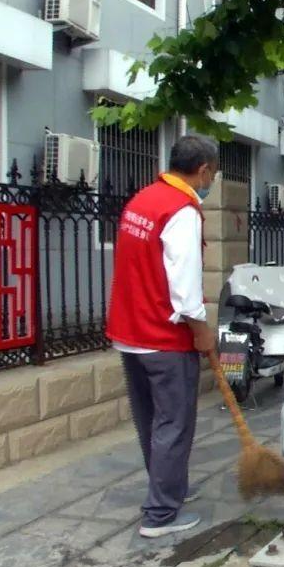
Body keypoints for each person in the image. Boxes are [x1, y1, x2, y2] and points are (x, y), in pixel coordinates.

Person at [106, 135, 219, 538]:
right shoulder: (182, 210)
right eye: (213, 174)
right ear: (203, 169)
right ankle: (160, 515)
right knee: (174, 423)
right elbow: (184, 284)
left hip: (130, 334)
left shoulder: (142, 200)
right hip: (164, 338)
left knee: (151, 421)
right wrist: (201, 329)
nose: (211, 182)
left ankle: (167, 488)